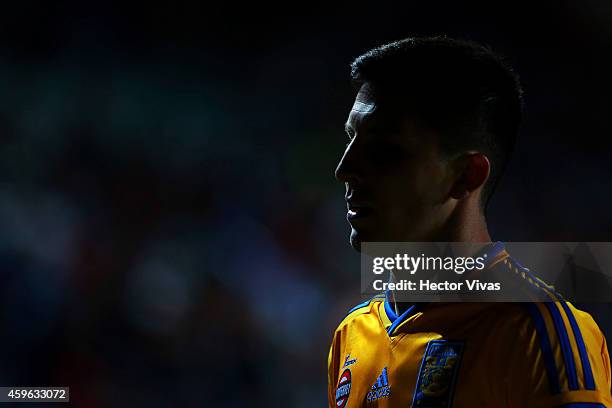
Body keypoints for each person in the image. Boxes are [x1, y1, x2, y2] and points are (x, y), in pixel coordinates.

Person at [328, 36, 612, 407]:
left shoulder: (536, 334)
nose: (344, 170)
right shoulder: (350, 336)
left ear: (466, 176)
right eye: (351, 139)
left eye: (385, 151)